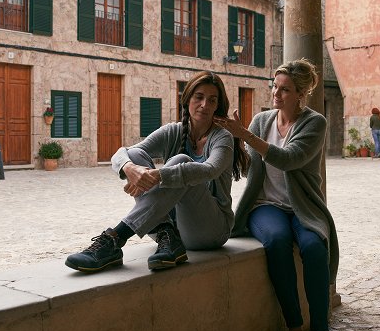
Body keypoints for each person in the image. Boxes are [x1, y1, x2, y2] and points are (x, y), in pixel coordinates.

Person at [215, 59, 339, 331]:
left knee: (313, 247)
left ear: (300, 94)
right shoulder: (261, 121)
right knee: (277, 242)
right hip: (265, 205)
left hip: (303, 207)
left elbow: (288, 158)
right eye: (274, 85)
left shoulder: (315, 123)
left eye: (284, 89)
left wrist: (244, 136)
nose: (276, 93)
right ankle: (295, 328)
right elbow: (248, 164)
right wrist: (228, 141)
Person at [66, 71, 249, 272]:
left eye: (212, 100)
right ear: (187, 99)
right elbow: (123, 153)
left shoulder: (222, 138)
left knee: (181, 161)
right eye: (199, 97)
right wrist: (130, 169)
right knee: (135, 155)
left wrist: (159, 175)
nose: (205, 104)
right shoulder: (174, 131)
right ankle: (168, 237)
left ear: (217, 106)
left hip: (210, 231)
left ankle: (116, 237)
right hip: (170, 229)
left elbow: (210, 170)